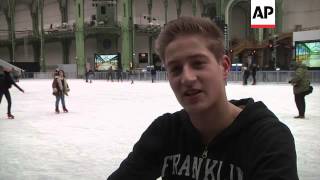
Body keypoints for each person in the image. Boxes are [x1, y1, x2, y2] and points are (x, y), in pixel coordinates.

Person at [107, 17, 298, 180]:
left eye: (198, 63)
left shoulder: (267, 139)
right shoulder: (166, 131)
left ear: (223, 67)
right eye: (175, 69)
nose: (187, 78)